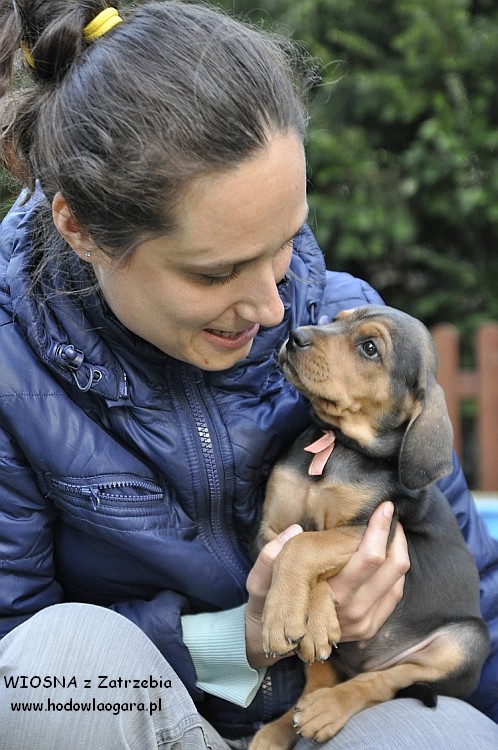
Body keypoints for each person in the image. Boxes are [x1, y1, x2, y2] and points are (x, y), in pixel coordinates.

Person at [0, 1, 497, 748]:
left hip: (336, 716)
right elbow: (16, 660)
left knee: (445, 734)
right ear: (81, 229)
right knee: (49, 668)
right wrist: (243, 639)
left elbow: (477, 605)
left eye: (285, 245)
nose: (272, 309)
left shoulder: (353, 330)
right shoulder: (12, 373)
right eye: (217, 272)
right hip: (149, 726)